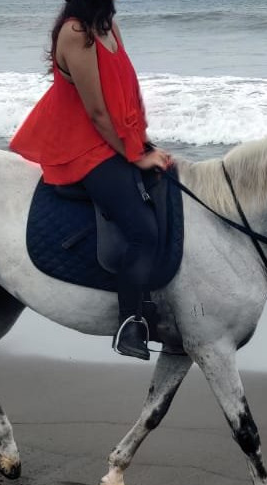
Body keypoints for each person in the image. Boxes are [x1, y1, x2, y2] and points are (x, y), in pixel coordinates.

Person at [10, 0, 172, 360]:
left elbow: (127, 93)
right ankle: (130, 323)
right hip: (82, 147)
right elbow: (97, 112)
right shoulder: (75, 33)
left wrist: (142, 141)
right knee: (143, 231)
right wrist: (136, 156)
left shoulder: (108, 25)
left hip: (113, 138)